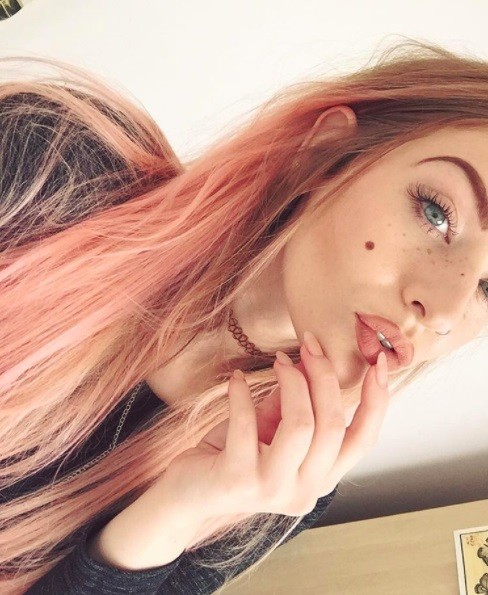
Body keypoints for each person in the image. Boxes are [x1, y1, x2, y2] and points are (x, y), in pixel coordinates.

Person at [0, 37, 487, 593]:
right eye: (437, 213)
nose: (445, 311)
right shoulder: (51, 167)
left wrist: (173, 513)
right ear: (325, 156)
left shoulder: (282, 469)